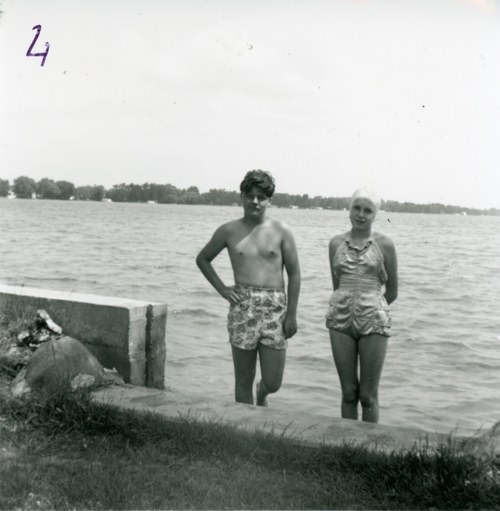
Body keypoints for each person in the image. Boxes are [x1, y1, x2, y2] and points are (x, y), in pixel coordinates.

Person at [196, 170, 301, 406]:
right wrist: (223, 290)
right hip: (243, 305)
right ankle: (246, 432)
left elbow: (294, 273)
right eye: (250, 195)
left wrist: (291, 314)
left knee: (274, 381)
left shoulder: (282, 230)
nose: (255, 201)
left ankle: (262, 393)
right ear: (241, 196)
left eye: (261, 197)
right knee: (243, 379)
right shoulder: (228, 230)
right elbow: (203, 259)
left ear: (269, 200)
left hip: (275, 308)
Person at [326, 187, 397, 423]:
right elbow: (337, 286)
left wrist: (372, 308)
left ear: (376, 214)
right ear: (349, 209)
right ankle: (347, 448)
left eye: (368, 210)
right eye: (357, 207)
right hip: (340, 320)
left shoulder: (385, 244)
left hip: (374, 320)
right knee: (348, 393)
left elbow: (393, 290)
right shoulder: (335, 243)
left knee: (367, 396)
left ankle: (369, 450)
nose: (361, 214)